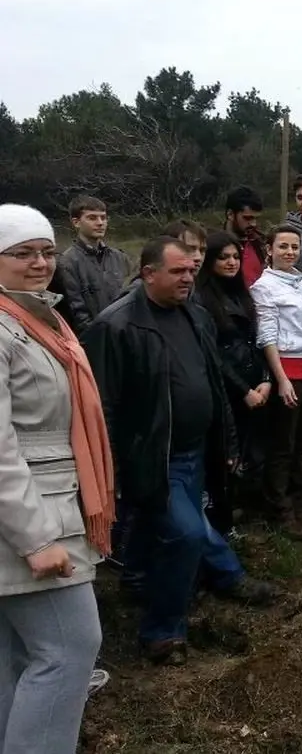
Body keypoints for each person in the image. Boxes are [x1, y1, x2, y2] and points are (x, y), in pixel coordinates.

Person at [84, 237, 277, 665]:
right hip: (153, 457)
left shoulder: (195, 315)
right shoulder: (115, 326)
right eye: (177, 272)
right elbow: (102, 406)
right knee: (187, 533)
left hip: (195, 452)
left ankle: (141, 580)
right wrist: (110, 468)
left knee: (182, 527)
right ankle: (163, 631)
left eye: (191, 271)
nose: (188, 278)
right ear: (148, 273)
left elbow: (210, 381)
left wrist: (225, 440)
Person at [0, 204, 114, 754]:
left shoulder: (40, 320)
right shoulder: (5, 329)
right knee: (70, 650)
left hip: (47, 509)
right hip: (33, 521)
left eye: (46, 251)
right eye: (22, 254)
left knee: (16, 658)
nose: (40, 262)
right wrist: (36, 539)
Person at [193, 230, 272, 532]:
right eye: (223, 257)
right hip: (228, 388)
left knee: (257, 451)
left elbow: (259, 339)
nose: (231, 262)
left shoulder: (243, 293)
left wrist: (265, 379)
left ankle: (248, 510)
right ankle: (222, 518)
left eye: (235, 257)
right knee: (227, 456)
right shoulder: (201, 300)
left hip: (256, 380)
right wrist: (244, 390)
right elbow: (213, 354)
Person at [249, 226, 302, 539]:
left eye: (294, 247)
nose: (290, 252)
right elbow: (267, 335)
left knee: (300, 443)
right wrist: (280, 379)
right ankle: (280, 510)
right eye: (283, 247)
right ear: (270, 249)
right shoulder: (263, 287)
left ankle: (300, 504)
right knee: (282, 443)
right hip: (288, 369)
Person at [56, 194, 132, 334]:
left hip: (124, 335)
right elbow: (76, 312)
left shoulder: (119, 257)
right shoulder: (67, 262)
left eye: (103, 218)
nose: (100, 223)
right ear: (76, 222)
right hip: (92, 340)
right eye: (92, 218)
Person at [223, 186, 267, 289]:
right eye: (247, 218)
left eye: (256, 218)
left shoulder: (262, 244)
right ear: (230, 214)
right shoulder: (215, 246)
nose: (253, 224)